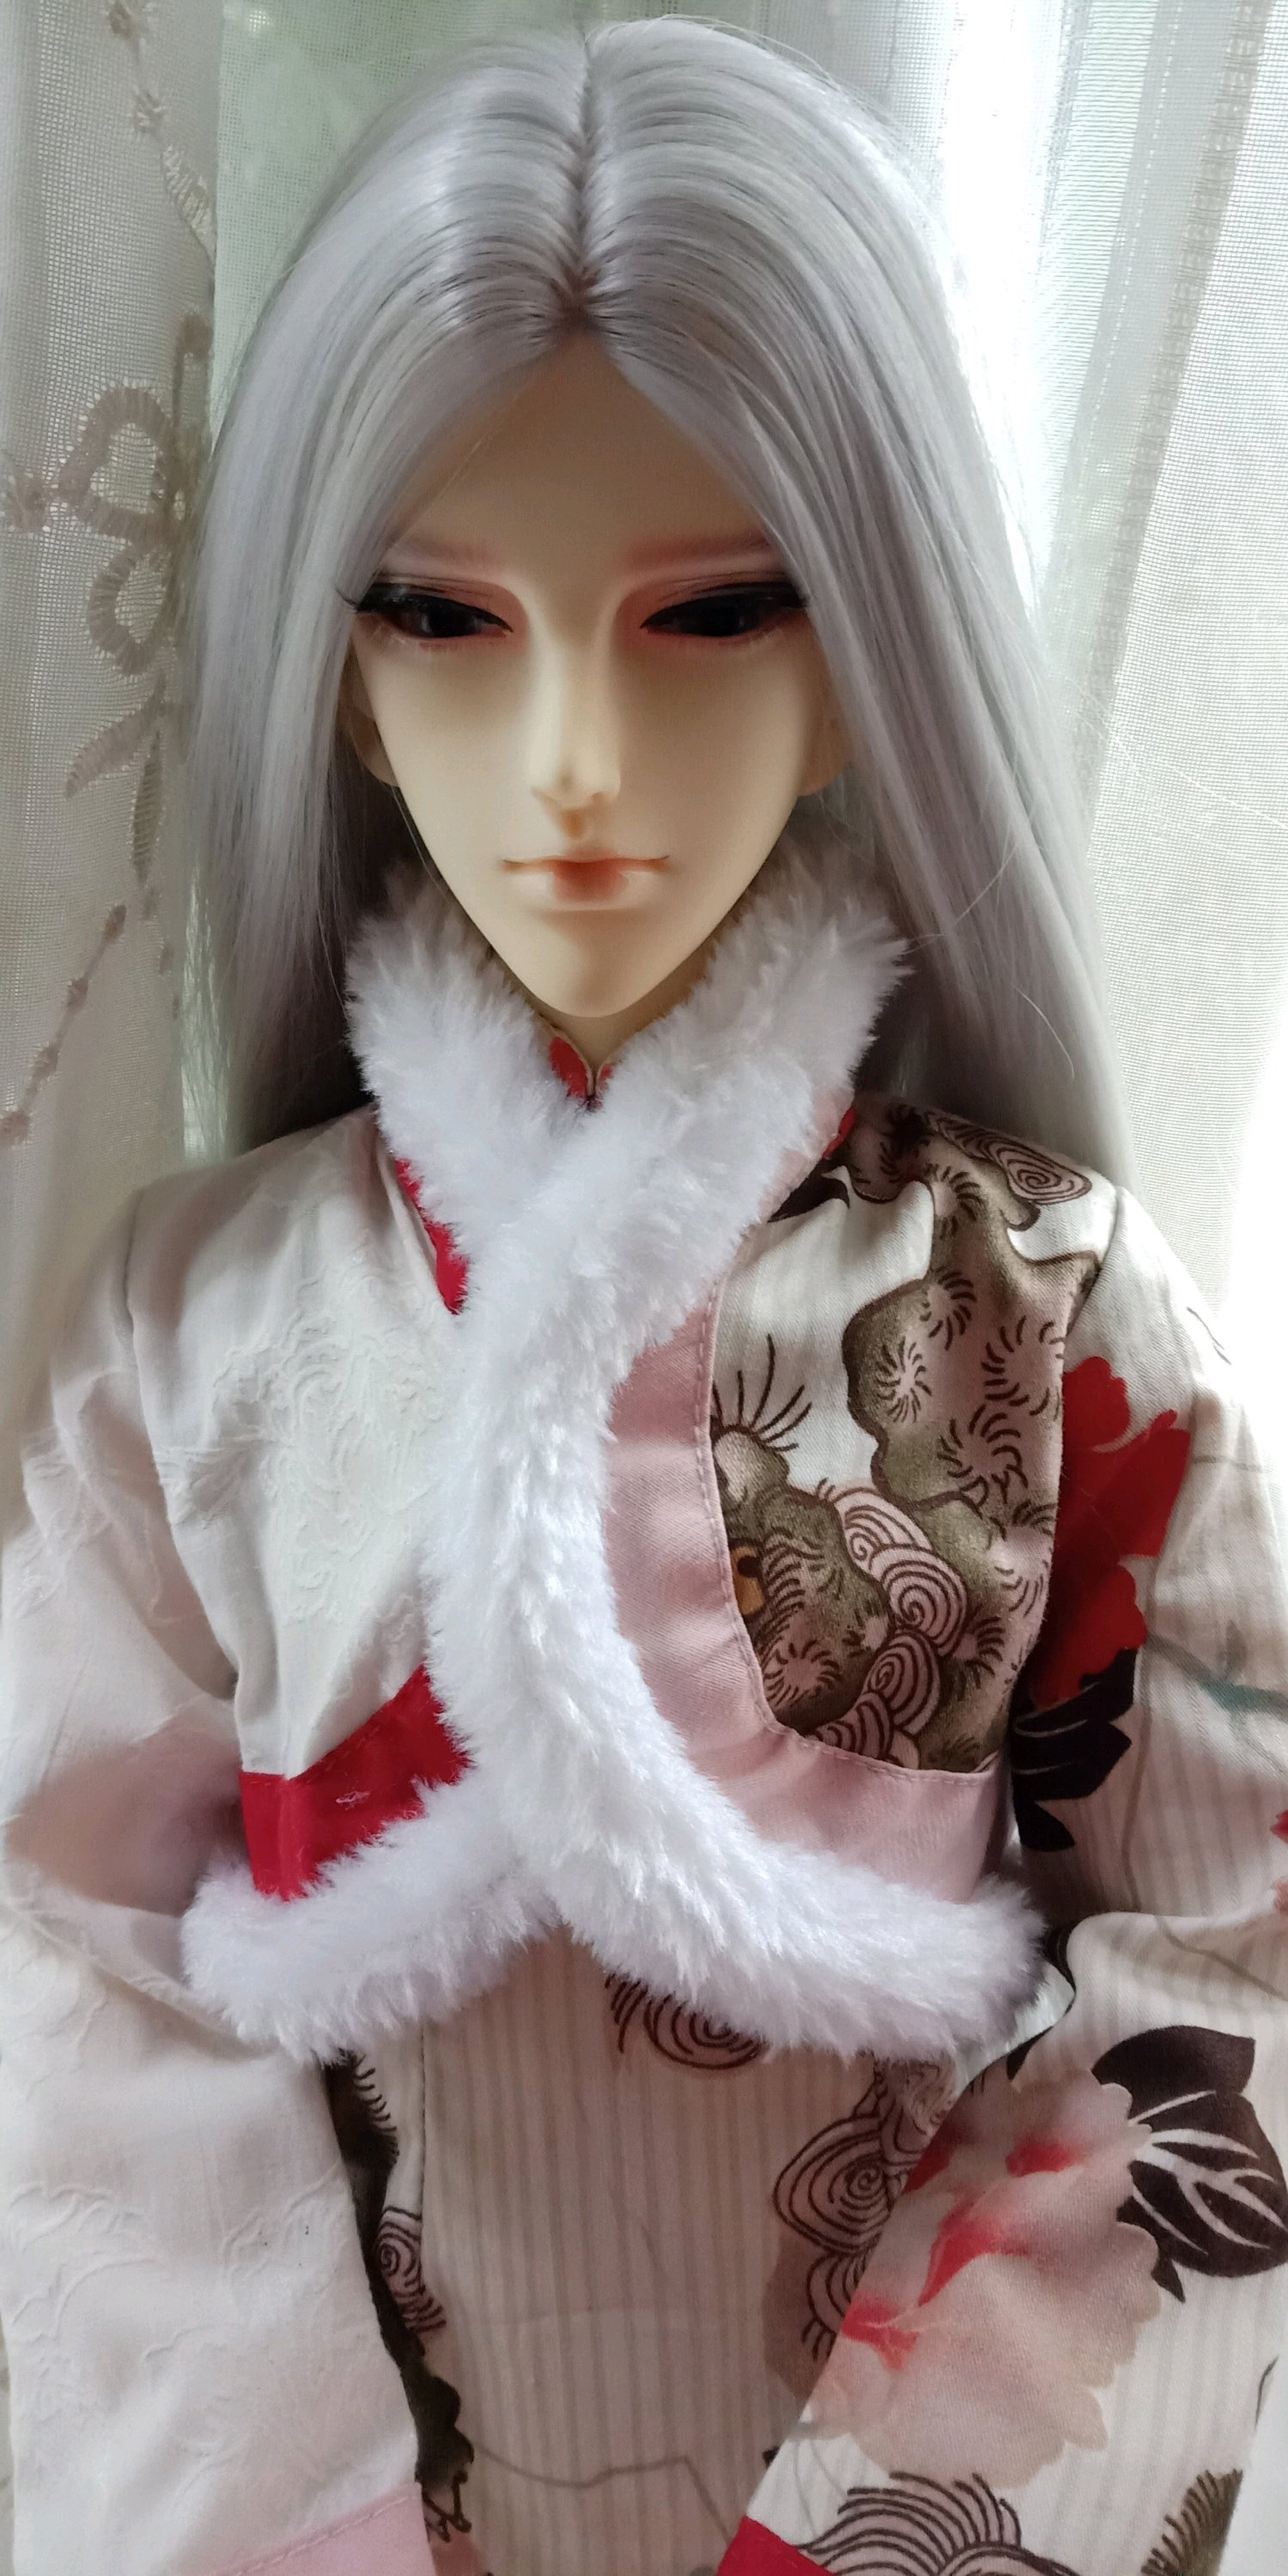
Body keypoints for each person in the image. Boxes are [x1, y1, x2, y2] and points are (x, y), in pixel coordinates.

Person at [1, 21, 1285, 2576]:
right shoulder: (191, 1324)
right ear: (335, 673)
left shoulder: (1042, 1304)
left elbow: (1230, 1954)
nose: (574, 755)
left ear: (862, 657)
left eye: (709, 610)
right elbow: (71, 1956)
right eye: (443, 615)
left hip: (866, 2485)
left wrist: (892, 2522)